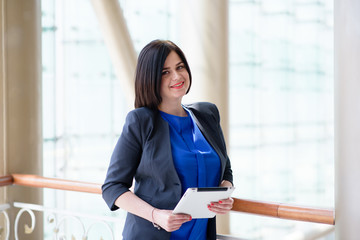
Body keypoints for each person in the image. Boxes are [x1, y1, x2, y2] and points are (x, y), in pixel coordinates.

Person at [102, 39, 233, 240]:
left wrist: (223, 192)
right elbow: (113, 187)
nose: (177, 76)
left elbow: (225, 170)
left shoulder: (208, 114)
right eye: (165, 72)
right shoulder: (141, 121)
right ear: (151, 79)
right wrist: (156, 215)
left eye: (180, 67)